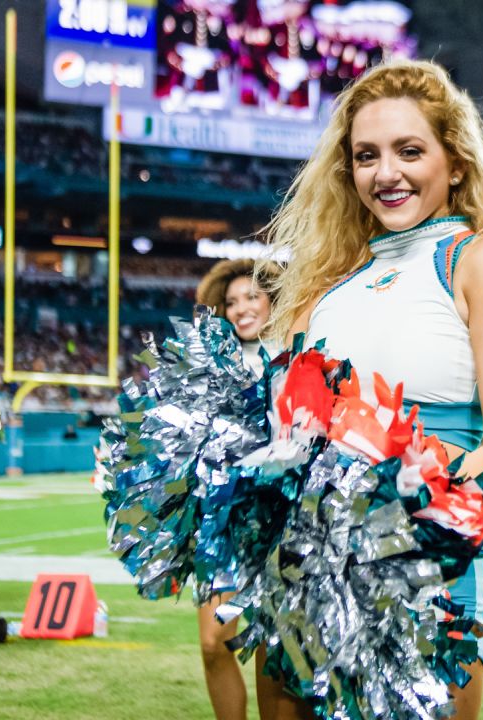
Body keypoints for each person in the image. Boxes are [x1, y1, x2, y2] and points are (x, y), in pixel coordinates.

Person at [260, 59, 483, 719]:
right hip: (306, 573)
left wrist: (392, 511)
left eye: (409, 151)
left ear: (456, 163)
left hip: (422, 575)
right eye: (366, 156)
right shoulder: (322, 288)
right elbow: (284, 434)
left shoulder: (481, 262)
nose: (386, 173)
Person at [192, 259, 279, 720]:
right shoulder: (210, 362)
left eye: (251, 297)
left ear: (273, 299)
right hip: (221, 515)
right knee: (213, 642)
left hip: (281, 516)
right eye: (230, 302)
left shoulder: (297, 351)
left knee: (270, 639)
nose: (241, 308)